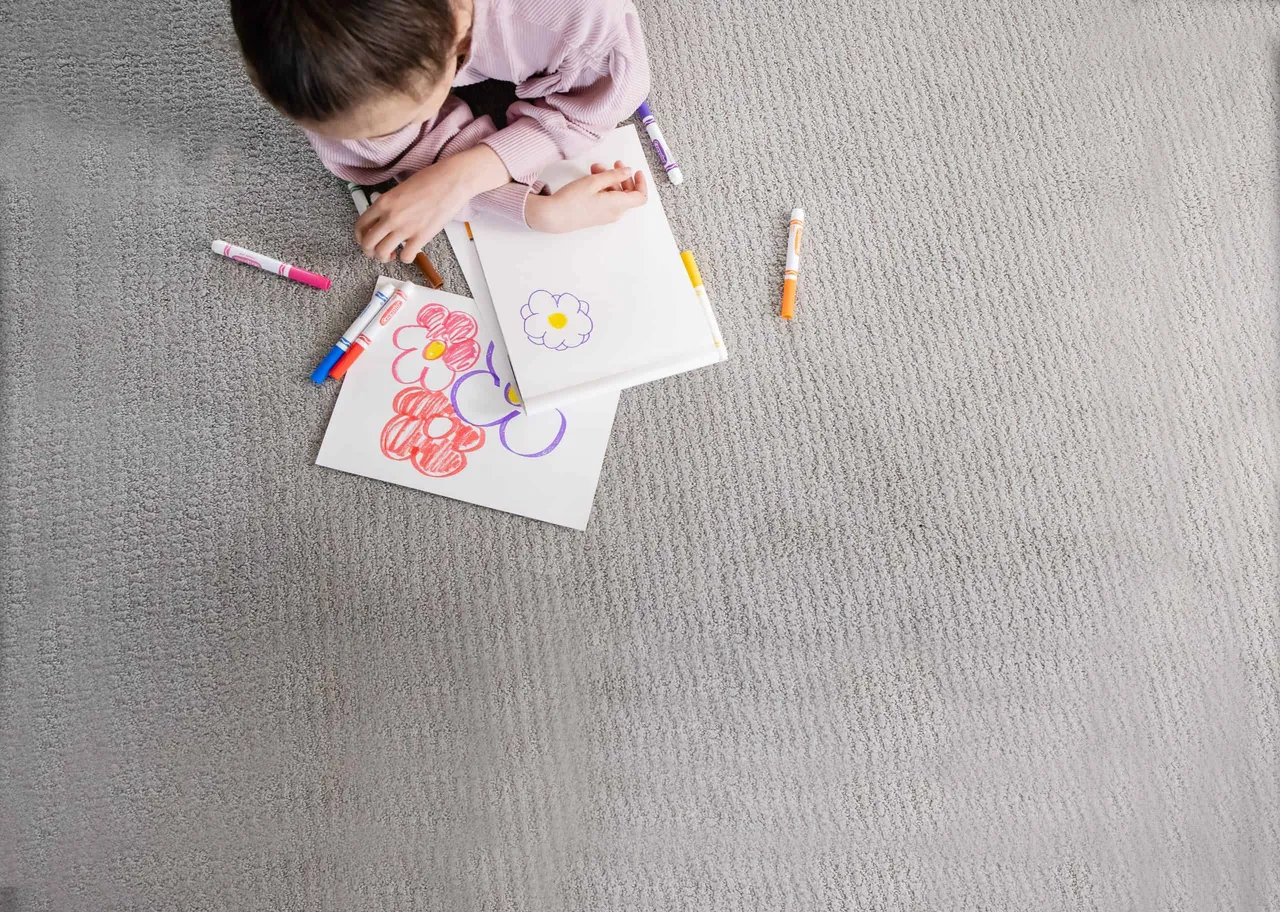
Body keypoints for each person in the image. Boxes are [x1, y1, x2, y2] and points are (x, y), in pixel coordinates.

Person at [230, 0, 651, 261]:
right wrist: (515, 201)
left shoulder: (573, 19)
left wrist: (464, 176)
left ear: (457, 39)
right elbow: (376, 150)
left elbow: (608, 95)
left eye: (400, 121)